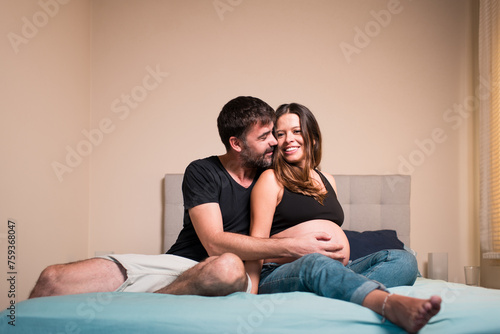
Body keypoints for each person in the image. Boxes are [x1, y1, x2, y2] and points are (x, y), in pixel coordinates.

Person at [29, 96, 345, 299]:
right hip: (182, 264)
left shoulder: (277, 177)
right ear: (236, 144)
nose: (276, 143)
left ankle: (141, 305)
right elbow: (213, 243)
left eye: (274, 135)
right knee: (54, 278)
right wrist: (291, 246)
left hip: (230, 273)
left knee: (227, 269)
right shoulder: (203, 171)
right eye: (266, 137)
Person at [245, 103, 441, 333]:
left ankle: (338, 288)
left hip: (334, 269)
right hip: (281, 273)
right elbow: (255, 244)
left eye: (297, 131)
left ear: (313, 137)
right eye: (281, 134)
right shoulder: (271, 179)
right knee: (316, 262)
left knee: (404, 260)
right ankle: (388, 304)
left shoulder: (327, 179)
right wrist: (251, 295)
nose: (289, 139)